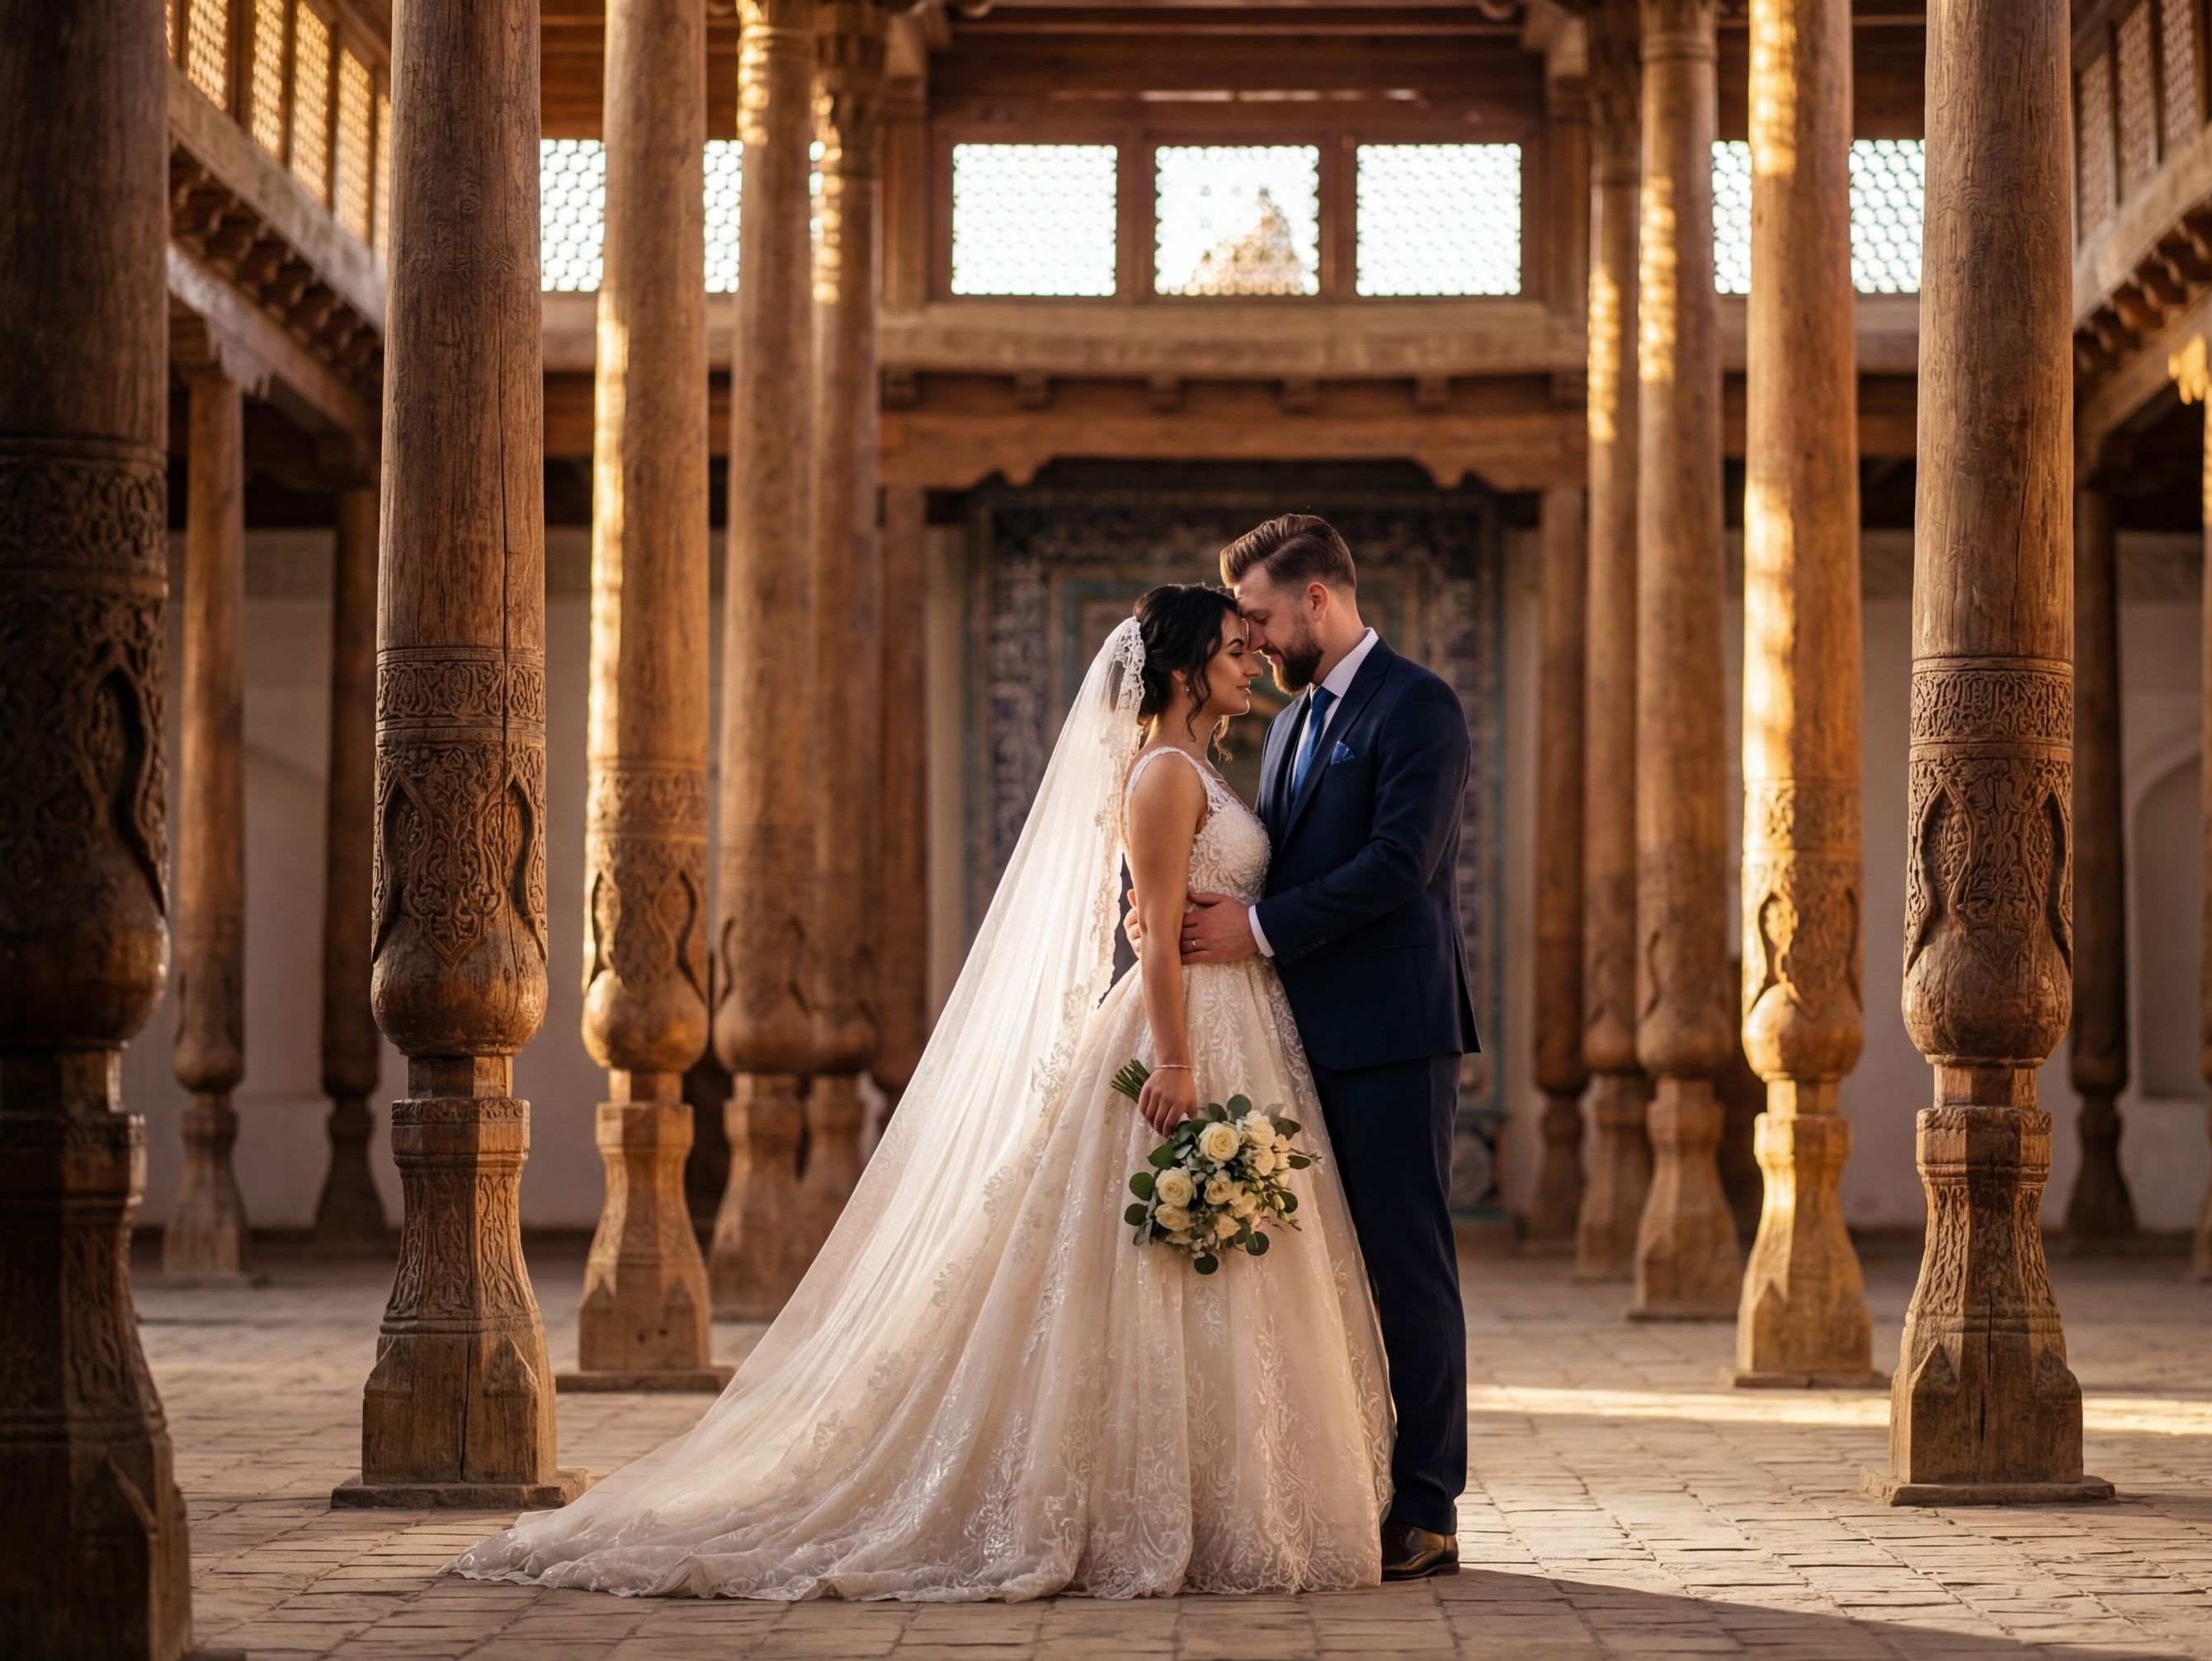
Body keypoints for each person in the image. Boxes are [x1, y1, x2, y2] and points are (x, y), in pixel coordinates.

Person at [448, 582, 1389, 1601]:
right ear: (1182, 670)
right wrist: (1173, 1062)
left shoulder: (1201, 767)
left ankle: (1227, 1490)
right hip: (1188, 1032)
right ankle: (1147, 1501)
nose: (1252, 663)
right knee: (1160, 1258)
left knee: (1228, 1267)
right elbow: (1155, 934)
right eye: (1234, 649)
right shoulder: (1163, 775)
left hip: (1243, 1022)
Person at [1133, 513, 1478, 1581]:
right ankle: (1334, 1486)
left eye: (1263, 617)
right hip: (1282, 1040)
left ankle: (1426, 1507)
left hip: (1389, 1032)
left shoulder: (1417, 704)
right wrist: (1160, 915)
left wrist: (1257, 927)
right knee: (1315, 1275)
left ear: (1317, 600)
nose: (1254, 639)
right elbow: (1250, 863)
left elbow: (1399, 863)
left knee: (1405, 1266)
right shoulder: (1286, 728)